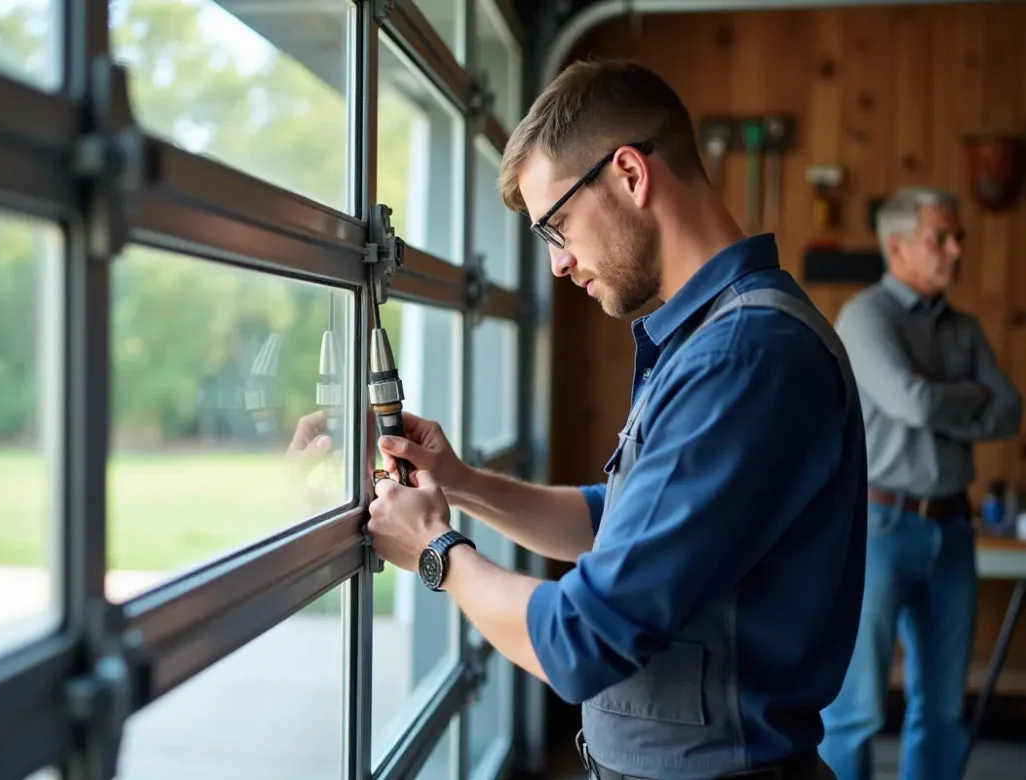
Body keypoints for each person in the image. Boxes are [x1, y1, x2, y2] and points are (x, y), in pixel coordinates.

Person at [364, 59, 867, 780]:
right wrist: (462, 483)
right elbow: (620, 523)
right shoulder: (711, 339)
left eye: (558, 225)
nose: (559, 265)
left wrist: (435, 551)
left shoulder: (744, 356)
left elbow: (582, 642)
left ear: (630, 174)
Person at [818, 187, 1023, 780]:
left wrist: (942, 399)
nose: (957, 249)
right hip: (878, 528)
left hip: (955, 529)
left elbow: (1009, 410)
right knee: (854, 710)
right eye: (942, 237)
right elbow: (913, 402)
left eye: (958, 236)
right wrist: (967, 396)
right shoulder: (865, 316)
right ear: (898, 246)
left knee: (942, 710)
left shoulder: (965, 328)